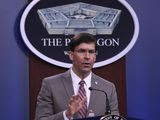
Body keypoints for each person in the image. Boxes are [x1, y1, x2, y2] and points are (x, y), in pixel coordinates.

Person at [35, 33, 119, 120]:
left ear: (95, 57)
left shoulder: (108, 88)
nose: (87, 57)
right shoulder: (51, 84)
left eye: (91, 52)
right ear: (71, 55)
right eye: (81, 51)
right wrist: (66, 114)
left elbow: (114, 118)